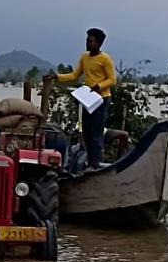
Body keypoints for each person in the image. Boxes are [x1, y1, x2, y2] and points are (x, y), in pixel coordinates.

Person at [44, 28, 116, 170]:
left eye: (91, 41)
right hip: (88, 99)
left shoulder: (105, 59)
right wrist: (56, 76)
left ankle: (95, 164)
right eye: (87, 41)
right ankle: (89, 161)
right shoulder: (85, 57)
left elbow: (112, 80)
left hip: (101, 99)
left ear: (99, 43)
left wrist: (99, 86)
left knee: (96, 133)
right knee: (87, 132)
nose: (88, 44)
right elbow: (75, 75)